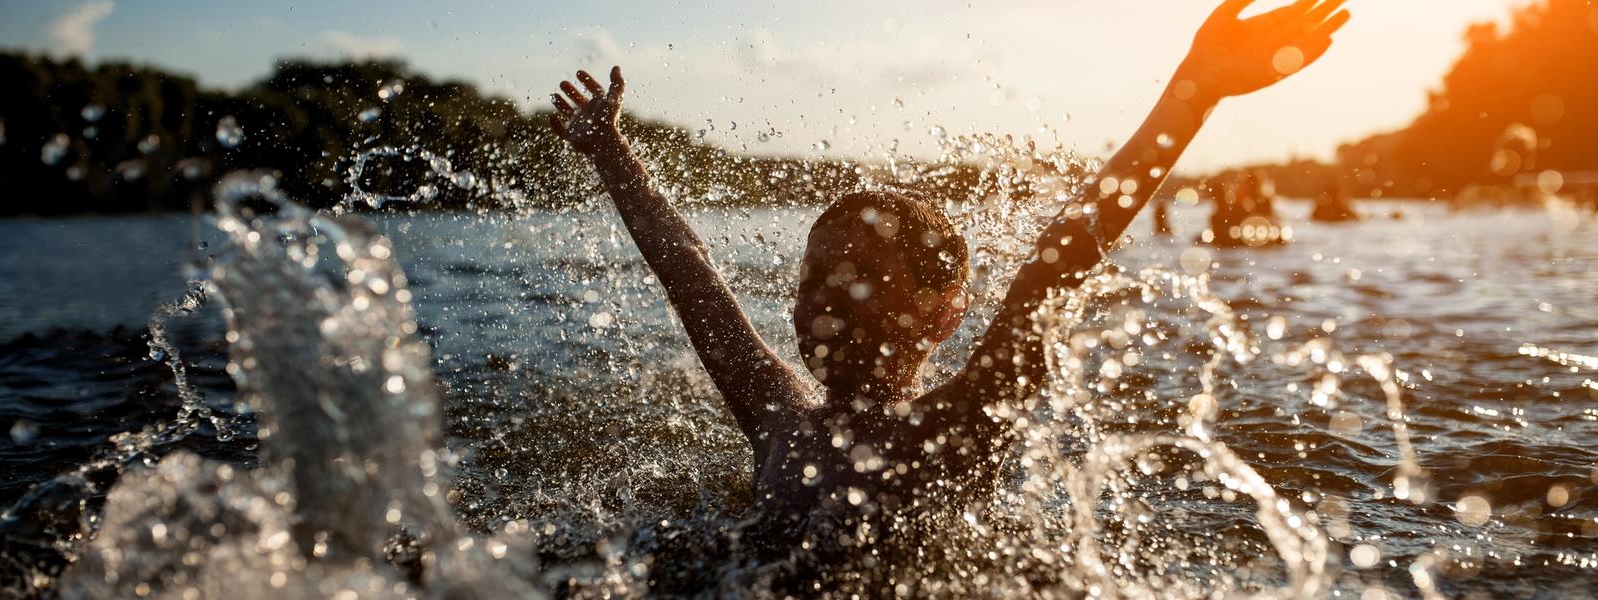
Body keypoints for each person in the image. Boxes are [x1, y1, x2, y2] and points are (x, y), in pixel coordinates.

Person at [548, 0, 1349, 568]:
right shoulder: (777, 414)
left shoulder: (960, 428)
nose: (820, 298)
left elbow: (1057, 262)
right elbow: (691, 275)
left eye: (858, 277)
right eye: (812, 277)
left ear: (941, 316)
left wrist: (1195, 88)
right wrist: (613, 156)